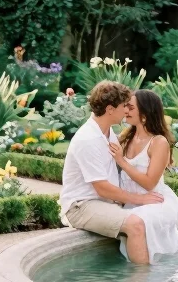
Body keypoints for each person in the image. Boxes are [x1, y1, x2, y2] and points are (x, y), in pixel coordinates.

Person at [60, 80, 164, 264]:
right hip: (82, 206)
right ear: (110, 109)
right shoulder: (88, 139)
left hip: (103, 202)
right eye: (124, 106)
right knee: (136, 225)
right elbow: (102, 188)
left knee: (149, 218)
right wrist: (139, 199)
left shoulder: (108, 133)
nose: (127, 110)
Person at [110, 89, 178, 263]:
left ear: (145, 113)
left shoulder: (159, 142)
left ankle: (140, 279)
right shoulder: (126, 138)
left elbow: (150, 183)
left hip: (155, 201)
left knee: (138, 222)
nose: (125, 110)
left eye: (131, 107)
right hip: (132, 202)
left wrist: (122, 162)